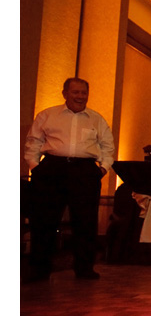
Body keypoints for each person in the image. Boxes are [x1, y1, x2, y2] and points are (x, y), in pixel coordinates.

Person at [24, 77, 115, 281]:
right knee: (44, 221)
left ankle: (84, 269)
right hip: (51, 170)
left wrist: (102, 169)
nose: (80, 97)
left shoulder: (97, 119)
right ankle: (39, 269)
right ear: (65, 93)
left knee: (86, 222)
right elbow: (33, 141)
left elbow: (108, 147)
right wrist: (35, 167)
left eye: (83, 93)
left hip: (84, 172)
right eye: (75, 92)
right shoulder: (47, 115)